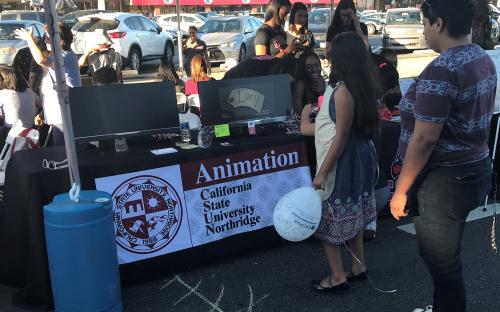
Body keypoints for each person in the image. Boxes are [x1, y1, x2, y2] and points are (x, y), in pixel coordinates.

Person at [389, 1, 495, 311]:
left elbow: (424, 139)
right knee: (446, 259)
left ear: (439, 23)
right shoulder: (481, 58)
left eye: (423, 24)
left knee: (442, 263)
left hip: (444, 179)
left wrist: (401, 190)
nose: (423, 31)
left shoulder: (443, 69)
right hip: (474, 166)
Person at [311, 32, 380, 292]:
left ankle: (337, 276)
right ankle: (358, 266)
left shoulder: (342, 91)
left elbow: (339, 137)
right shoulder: (360, 85)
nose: (327, 54)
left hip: (343, 165)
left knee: (328, 221)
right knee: (354, 215)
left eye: (331, 52)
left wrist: (322, 172)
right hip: (359, 160)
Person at [15, 23, 81, 146]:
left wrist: (29, 39)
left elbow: (41, 60)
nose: (45, 41)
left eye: (48, 37)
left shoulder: (64, 56)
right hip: (59, 115)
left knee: (63, 154)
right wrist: (43, 113)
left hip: (65, 116)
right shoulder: (62, 57)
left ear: (60, 40)